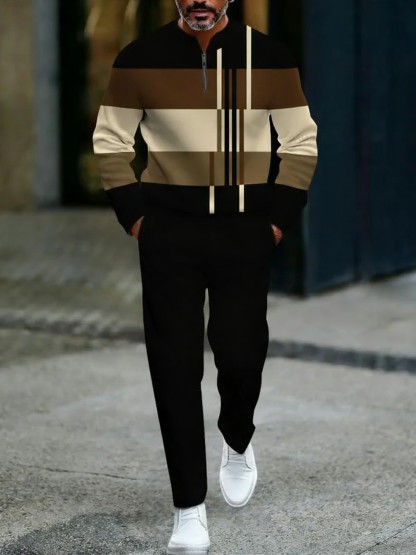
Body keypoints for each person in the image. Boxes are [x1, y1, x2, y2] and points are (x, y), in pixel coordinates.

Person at [93, 0, 318, 552]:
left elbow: (300, 143)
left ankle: (237, 438)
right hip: (168, 234)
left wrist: (275, 222)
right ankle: (188, 508)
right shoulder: (139, 57)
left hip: (245, 232)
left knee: (240, 354)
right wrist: (138, 219)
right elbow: (111, 141)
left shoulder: (269, 56)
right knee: (173, 367)